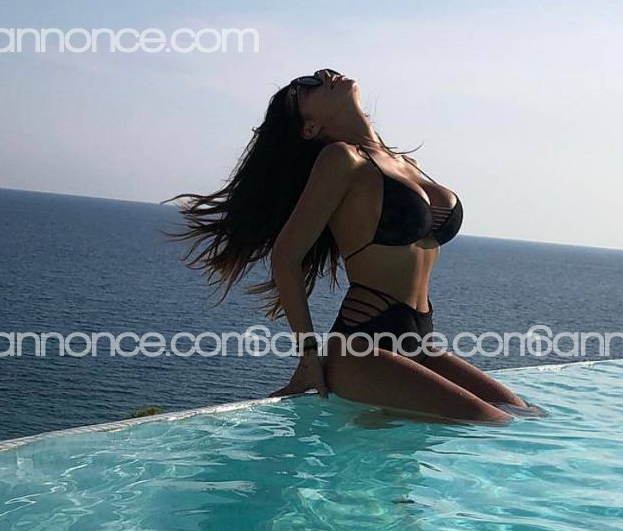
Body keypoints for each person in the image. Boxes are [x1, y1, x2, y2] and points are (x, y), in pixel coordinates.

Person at [172, 69, 538, 423]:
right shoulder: (341, 160)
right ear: (309, 127)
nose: (323, 75)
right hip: (362, 348)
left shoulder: (407, 164)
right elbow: (286, 256)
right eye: (307, 84)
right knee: (496, 425)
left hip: (419, 342)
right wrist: (309, 356)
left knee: (529, 417)